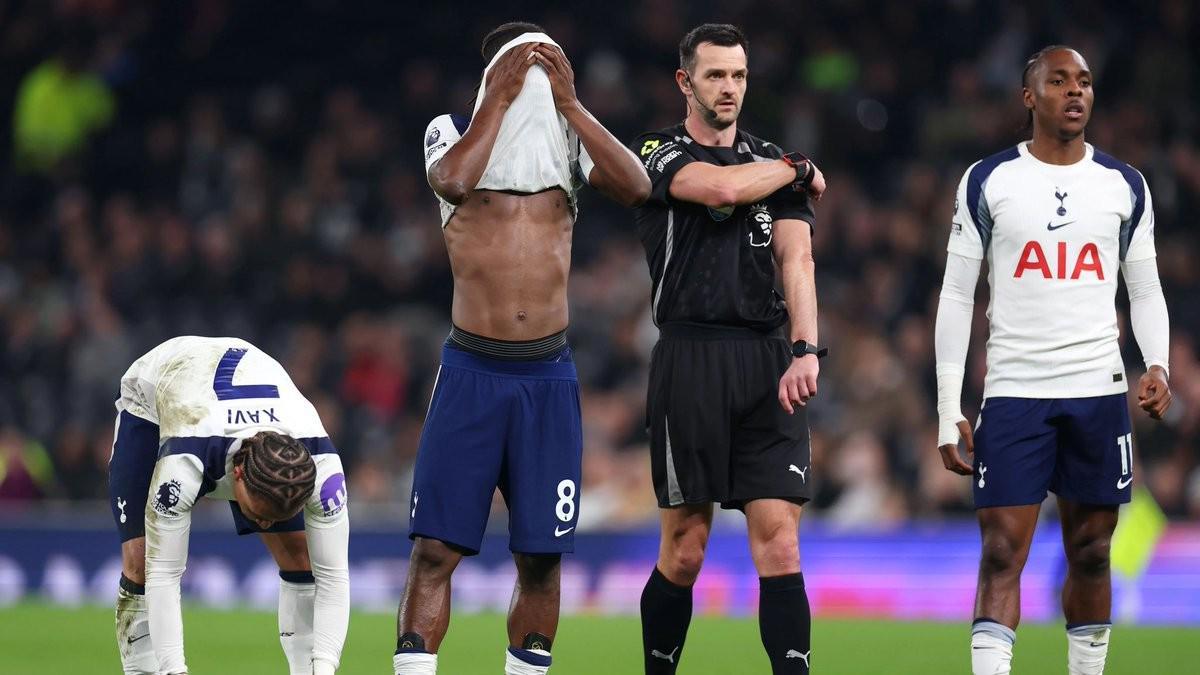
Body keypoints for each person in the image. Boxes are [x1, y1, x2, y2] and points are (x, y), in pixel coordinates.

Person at [396, 21, 649, 675]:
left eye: (548, 66)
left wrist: (572, 105)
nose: (536, 77)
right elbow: (452, 182)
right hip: (471, 369)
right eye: (522, 66)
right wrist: (502, 98)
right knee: (435, 550)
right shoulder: (452, 130)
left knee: (540, 556)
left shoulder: (568, 136)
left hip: (546, 376)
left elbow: (638, 186)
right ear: (493, 73)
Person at [934, 46, 1172, 675]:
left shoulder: (1124, 184)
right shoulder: (989, 180)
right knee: (1000, 552)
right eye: (1059, 80)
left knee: (1092, 551)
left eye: (1084, 82)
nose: (1075, 91)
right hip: (1015, 391)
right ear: (1028, 96)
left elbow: (1145, 287)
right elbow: (956, 294)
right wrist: (948, 406)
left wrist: (1158, 364)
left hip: (1097, 391)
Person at [631, 23, 827, 675]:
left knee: (781, 544)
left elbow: (797, 260)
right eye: (715, 74)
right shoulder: (658, 151)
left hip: (767, 362)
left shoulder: (770, 159)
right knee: (686, 548)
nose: (729, 87)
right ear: (685, 82)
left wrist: (806, 348)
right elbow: (718, 190)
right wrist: (797, 168)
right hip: (690, 358)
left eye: (739, 75)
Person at [108, 336, 349, 675]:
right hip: (155, 396)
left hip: (234, 401)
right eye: (261, 515)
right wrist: (175, 669)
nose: (265, 525)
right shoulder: (185, 461)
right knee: (142, 561)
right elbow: (164, 572)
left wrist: (324, 667)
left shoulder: (323, 466)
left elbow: (334, 577)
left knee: (301, 555)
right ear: (237, 474)